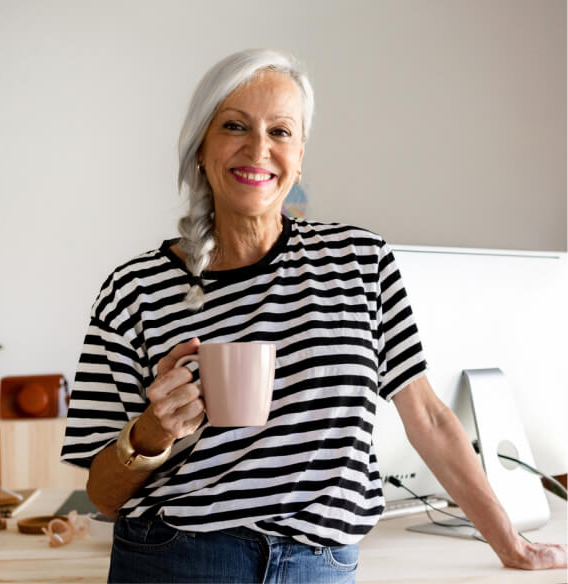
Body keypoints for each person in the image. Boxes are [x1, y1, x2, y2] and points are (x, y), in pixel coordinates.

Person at [61, 48, 567, 583]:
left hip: (320, 566)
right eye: (234, 126)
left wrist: (511, 543)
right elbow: (102, 496)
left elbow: (430, 419)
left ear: (299, 155)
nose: (258, 149)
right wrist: (152, 433)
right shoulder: (133, 289)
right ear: (201, 150)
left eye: (280, 132)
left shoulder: (360, 262)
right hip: (177, 561)